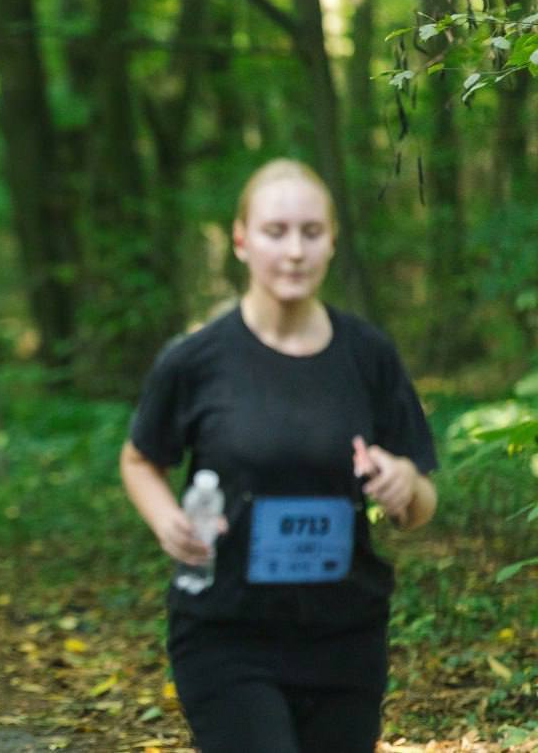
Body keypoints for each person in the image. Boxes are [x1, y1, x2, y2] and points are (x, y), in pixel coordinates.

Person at [120, 159, 438, 753]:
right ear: (241, 241)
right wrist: (167, 520)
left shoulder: (369, 357)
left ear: (333, 241)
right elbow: (140, 460)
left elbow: (420, 502)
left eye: (311, 233)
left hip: (345, 636)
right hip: (226, 632)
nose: (294, 251)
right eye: (275, 232)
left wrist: (403, 486)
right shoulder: (196, 360)